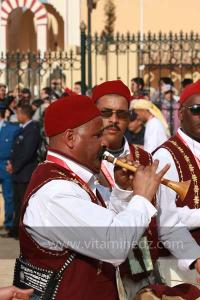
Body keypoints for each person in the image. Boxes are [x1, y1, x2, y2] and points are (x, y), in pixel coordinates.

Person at [14, 95, 170, 300]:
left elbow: (109, 226)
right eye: (97, 135)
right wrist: (141, 197)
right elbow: (114, 245)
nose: (105, 141)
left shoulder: (73, 181)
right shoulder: (54, 193)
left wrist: (123, 193)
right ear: (71, 138)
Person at [92, 80, 200, 299]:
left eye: (122, 114)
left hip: (140, 271)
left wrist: (195, 258)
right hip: (95, 272)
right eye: (106, 113)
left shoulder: (146, 159)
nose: (114, 120)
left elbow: (167, 222)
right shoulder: (78, 160)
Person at [153, 79, 200, 287]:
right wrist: (195, 258)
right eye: (197, 109)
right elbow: (166, 221)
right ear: (180, 113)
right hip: (185, 269)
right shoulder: (166, 156)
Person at [6, 104, 41, 238]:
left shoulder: (32, 130)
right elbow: (16, 149)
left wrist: (15, 166)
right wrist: (11, 163)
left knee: (23, 204)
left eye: (18, 113)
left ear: (24, 114)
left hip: (25, 173)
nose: (17, 116)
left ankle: (22, 232)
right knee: (17, 202)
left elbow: (27, 153)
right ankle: (15, 230)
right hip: (18, 173)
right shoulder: (23, 129)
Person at [0, 103, 20, 232]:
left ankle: (9, 223)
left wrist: (12, 162)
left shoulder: (12, 128)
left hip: (5, 164)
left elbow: (17, 147)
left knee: (8, 195)